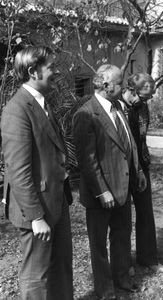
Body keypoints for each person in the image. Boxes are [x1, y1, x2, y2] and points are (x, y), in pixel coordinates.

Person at [1, 46, 73, 300]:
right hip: (37, 209)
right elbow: (18, 171)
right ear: (33, 71)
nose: (56, 71)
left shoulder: (42, 103)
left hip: (56, 200)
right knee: (36, 276)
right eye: (51, 67)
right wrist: (35, 216)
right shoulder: (17, 109)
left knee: (61, 268)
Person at [73, 64, 146, 300]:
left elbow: (129, 143)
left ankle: (122, 281)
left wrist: (138, 171)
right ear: (105, 85)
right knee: (99, 245)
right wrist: (102, 192)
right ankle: (105, 290)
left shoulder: (118, 107)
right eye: (119, 82)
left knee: (122, 238)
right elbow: (87, 160)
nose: (123, 86)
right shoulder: (85, 114)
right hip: (101, 194)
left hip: (123, 188)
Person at [122, 73, 163, 272]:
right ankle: (124, 264)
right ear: (133, 90)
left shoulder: (143, 106)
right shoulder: (118, 107)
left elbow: (141, 139)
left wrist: (142, 164)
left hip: (142, 167)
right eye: (147, 94)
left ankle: (147, 259)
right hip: (123, 168)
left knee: (146, 212)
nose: (150, 99)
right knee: (122, 219)